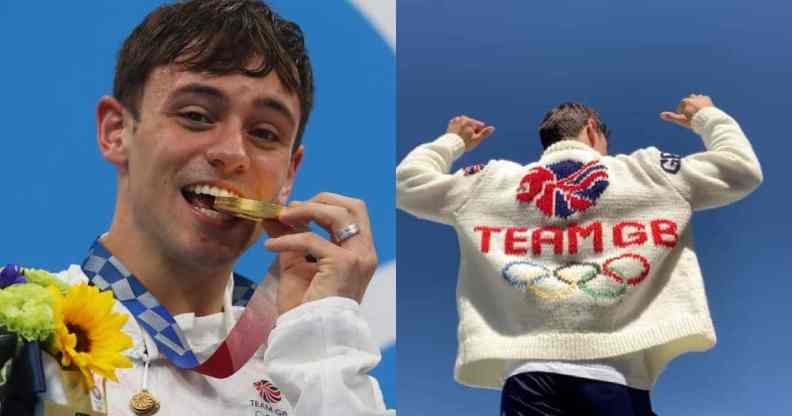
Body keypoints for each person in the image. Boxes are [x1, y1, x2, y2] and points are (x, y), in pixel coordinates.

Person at [3, 1, 392, 415]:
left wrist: (323, 332)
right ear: (116, 132)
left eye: (264, 133)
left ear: (289, 175)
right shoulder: (17, 335)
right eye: (196, 116)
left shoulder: (311, 363)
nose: (231, 152)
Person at [396, 94, 762, 415]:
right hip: (616, 375)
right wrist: (706, 116)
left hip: (528, 378)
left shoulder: (490, 182)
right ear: (591, 129)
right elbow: (741, 170)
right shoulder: (648, 171)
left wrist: (451, 141)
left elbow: (407, 184)